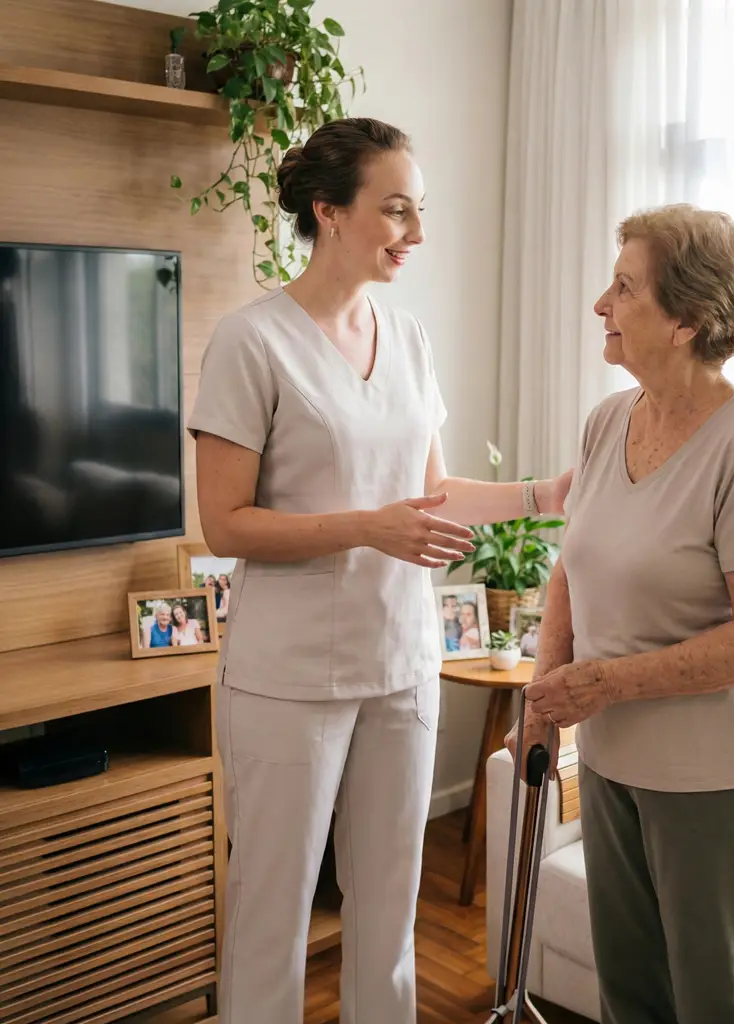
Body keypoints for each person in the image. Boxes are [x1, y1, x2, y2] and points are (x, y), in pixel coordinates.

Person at [187, 117, 570, 1024]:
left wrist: (543, 493)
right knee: (271, 915)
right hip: (288, 679)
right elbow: (225, 522)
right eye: (397, 210)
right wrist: (369, 528)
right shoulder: (251, 342)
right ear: (329, 211)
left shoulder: (407, 339)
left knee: (391, 914)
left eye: (419, 210)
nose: (417, 233)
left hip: (402, 666)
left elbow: (432, 493)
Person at [507, 203, 734, 1024]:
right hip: (613, 762)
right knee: (629, 996)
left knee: (714, 1005)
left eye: (625, 288)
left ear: (686, 321)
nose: (601, 304)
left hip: (716, 776)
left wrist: (603, 684)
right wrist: (545, 700)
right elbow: (572, 568)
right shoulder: (609, 420)